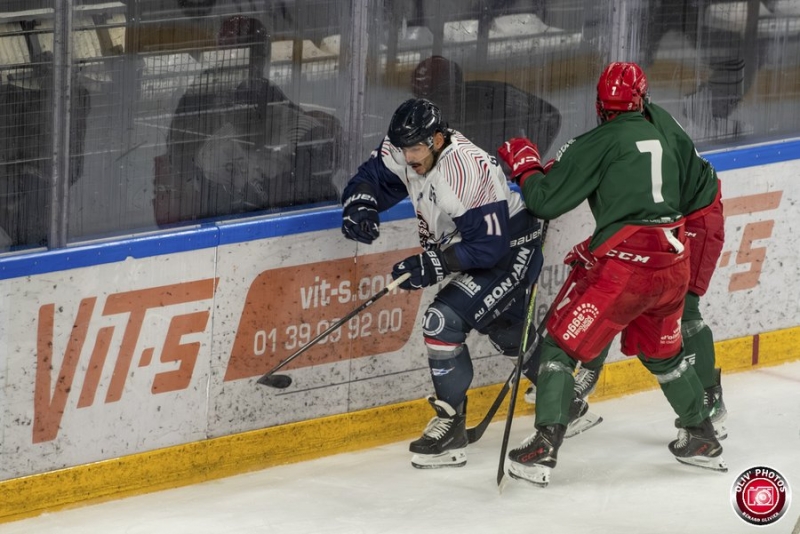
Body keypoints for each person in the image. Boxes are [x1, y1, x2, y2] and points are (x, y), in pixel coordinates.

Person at [496, 62, 726, 487]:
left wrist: (526, 169)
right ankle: (701, 433)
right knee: (664, 355)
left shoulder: (599, 140)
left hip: (626, 272)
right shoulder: (664, 131)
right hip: (674, 261)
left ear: (601, 106)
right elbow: (653, 200)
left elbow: (545, 202)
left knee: (559, 348)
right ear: (642, 99)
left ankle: (544, 444)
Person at [340, 98, 544, 468]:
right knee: (503, 326)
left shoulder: (463, 173)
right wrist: (361, 205)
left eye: (415, 148)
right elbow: (371, 177)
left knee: (442, 321)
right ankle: (558, 387)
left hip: (511, 249)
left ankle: (451, 425)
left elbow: (490, 248)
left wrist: (433, 263)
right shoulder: (408, 149)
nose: (407, 157)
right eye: (402, 148)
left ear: (436, 139)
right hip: (481, 247)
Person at [564, 62, 728, 442]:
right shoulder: (632, 122)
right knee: (617, 284)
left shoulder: (655, 131)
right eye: (606, 105)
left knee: (684, 306)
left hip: (696, 217)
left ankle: (710, 399)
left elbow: (655, 198)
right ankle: (584, 379)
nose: (610, 113)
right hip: (670, 219)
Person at [410, 55, 562, 159]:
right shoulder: (426, 119)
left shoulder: (496, 93)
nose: (441, 100)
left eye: (441, 94)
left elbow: (549, 116)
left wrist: (525, 166)